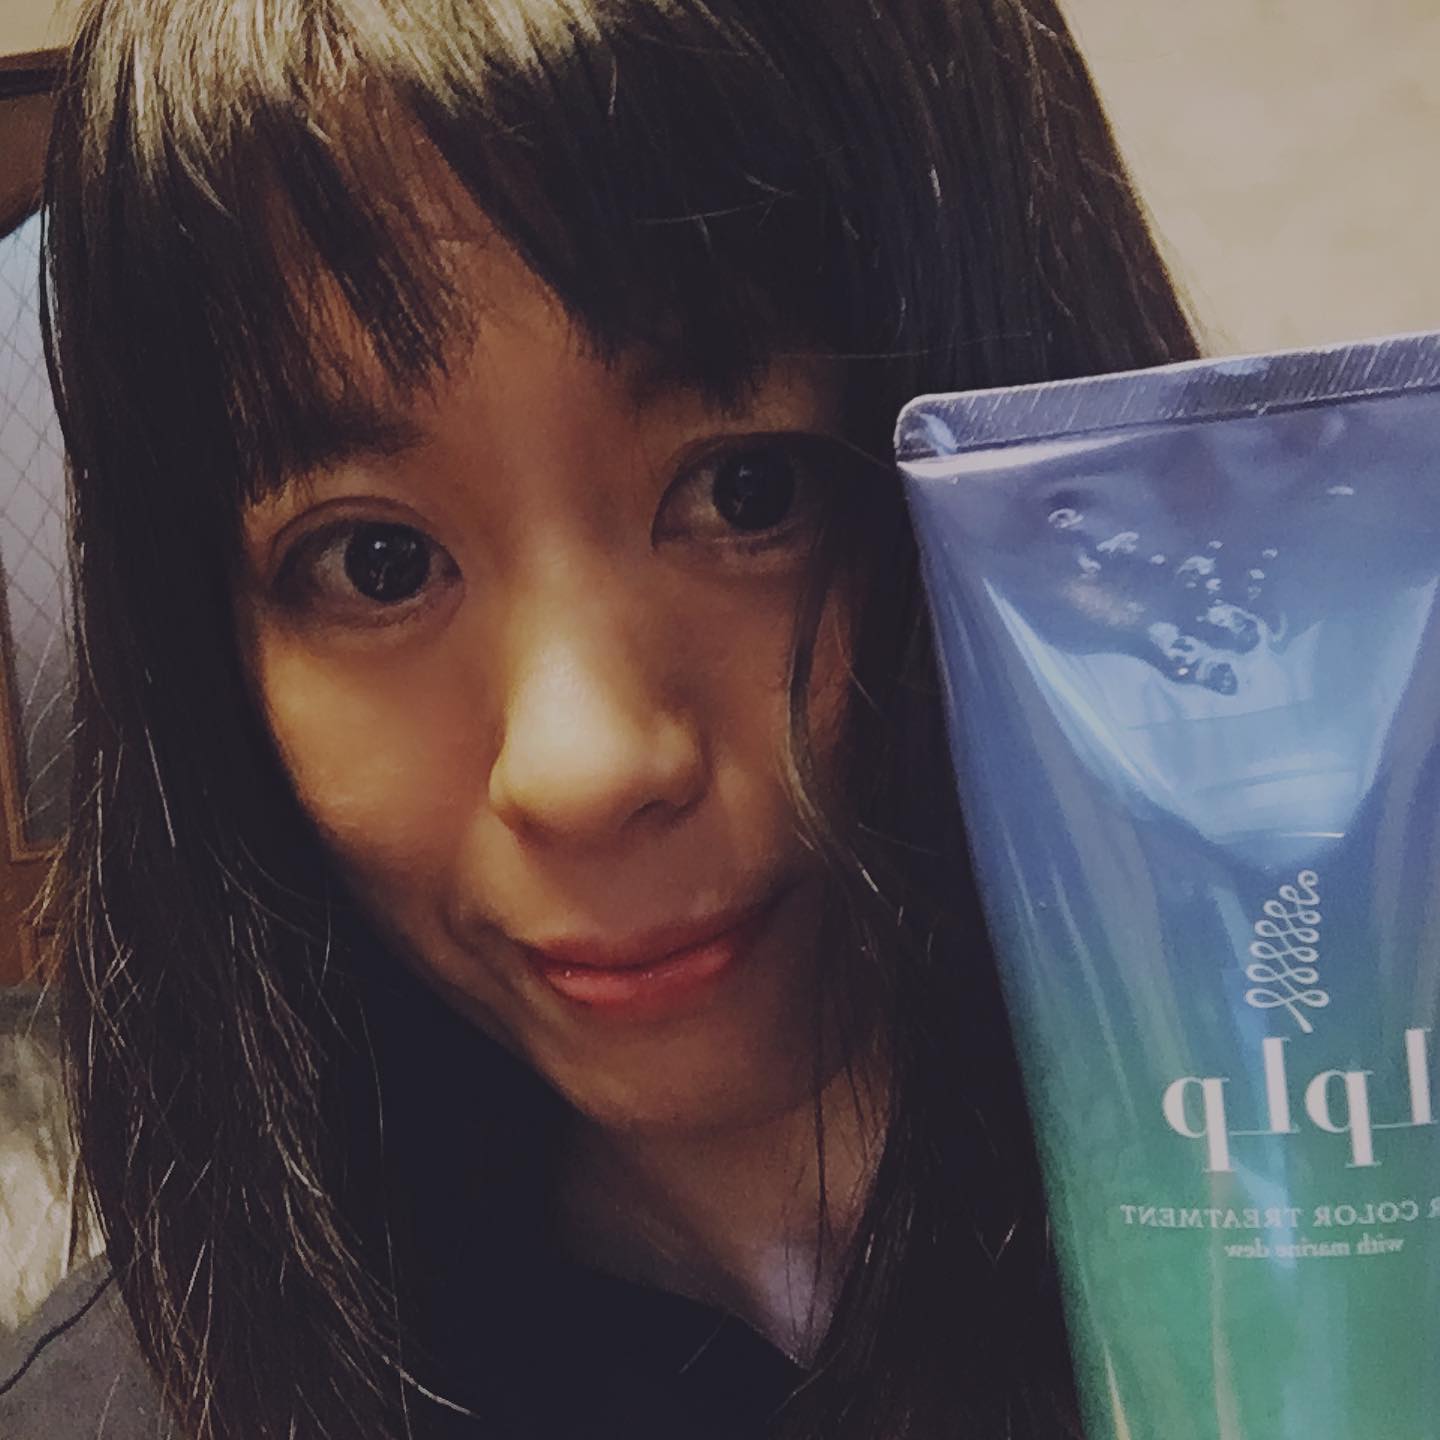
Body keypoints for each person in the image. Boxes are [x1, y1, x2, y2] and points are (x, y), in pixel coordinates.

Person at [0, 0, 1197, 1436]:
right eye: (377, 563)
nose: (584, 764)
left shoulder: (1351, 1215)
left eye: (751, 490)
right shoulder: (124, 1410)